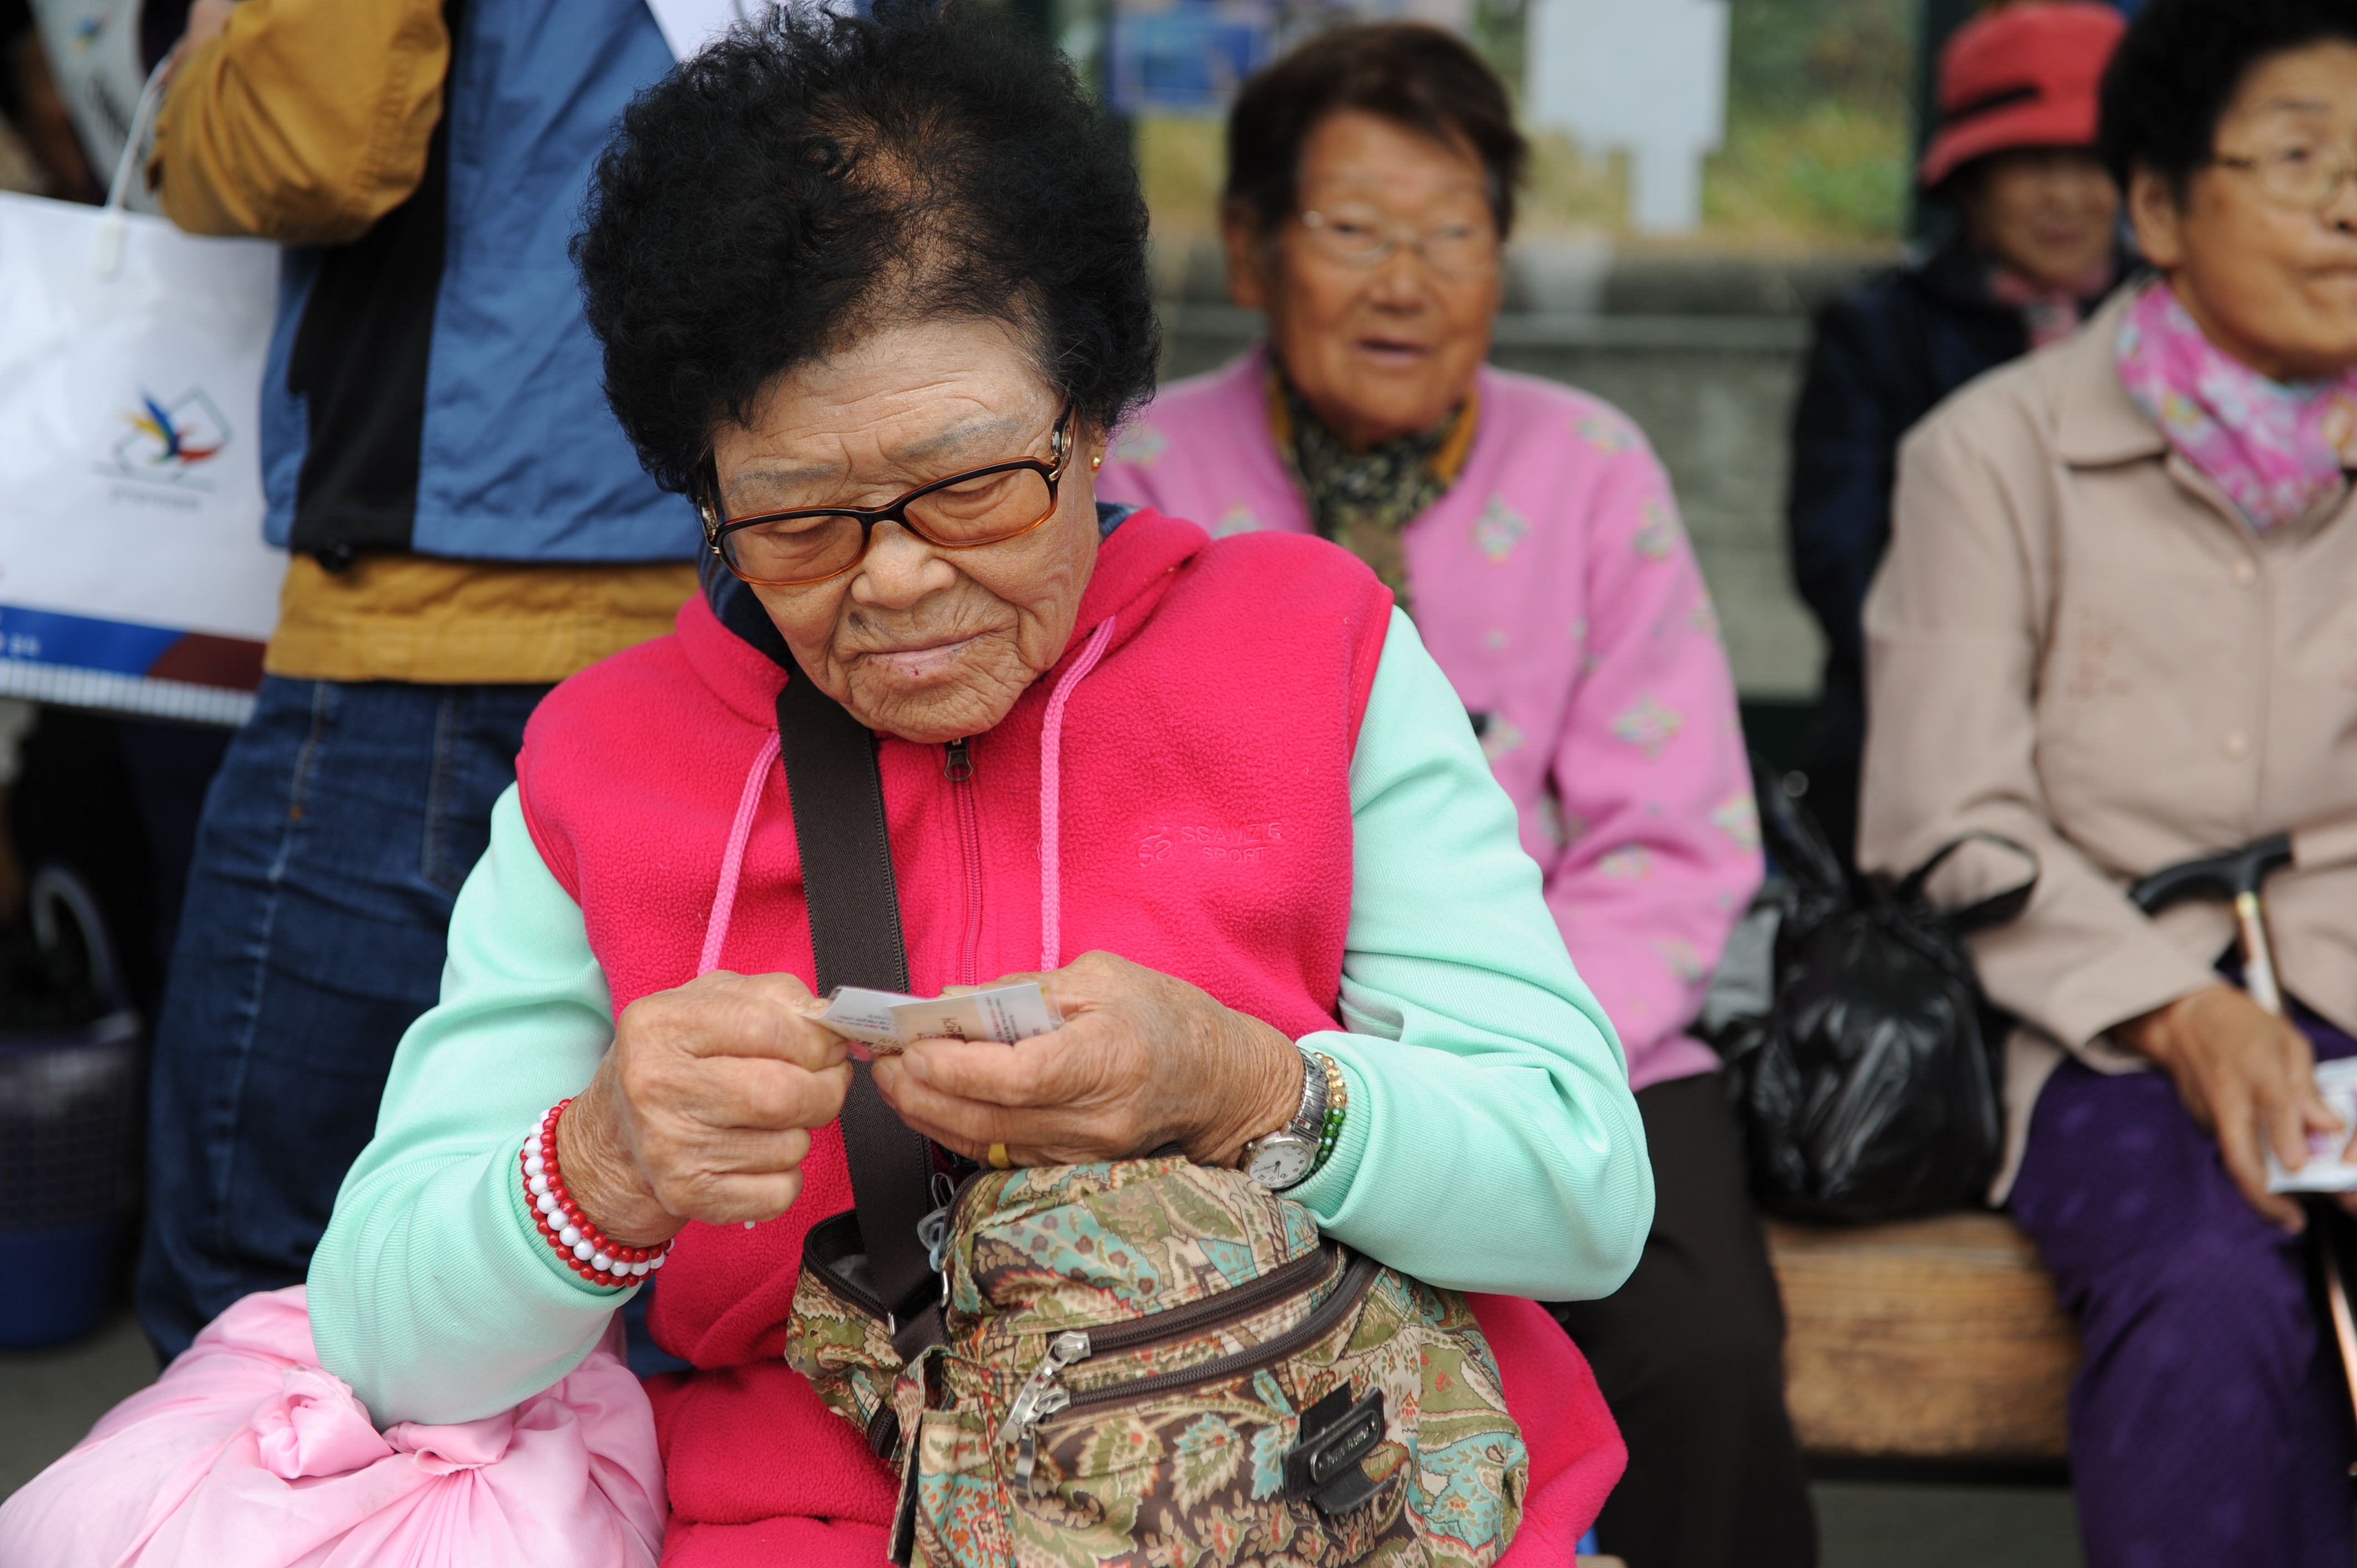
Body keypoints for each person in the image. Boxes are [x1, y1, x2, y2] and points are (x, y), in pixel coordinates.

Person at [2, 8, 1653, 1564]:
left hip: (1340, 1487)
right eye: (799, 521)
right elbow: (383, 1338)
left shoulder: (1313, 651)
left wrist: (1254, 1091)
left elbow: (1582, 1193)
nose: (900, 587)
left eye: (979, 489)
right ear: (701, 495)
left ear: (1097, 420)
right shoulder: (605, 768)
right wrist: (599, 1171)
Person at [1094, 25, 1802, 1568]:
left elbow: (1679, 843)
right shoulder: (1148, 473)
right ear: (1252, 245)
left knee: (1704, 1358)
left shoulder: (1592, 469)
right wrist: (1290, 1057)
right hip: (1242, 1046)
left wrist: (1513, 1060)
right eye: (1354, 230)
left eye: (1454, 231)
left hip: (1580, 1045)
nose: (1404, 280)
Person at [1860, 1, 2357, 1561]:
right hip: (2101, 1026)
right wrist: (2178, 1007)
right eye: (2300, 160)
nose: (2353, 203)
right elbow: (1946, 818)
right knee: (2207, 1287)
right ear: (2157, 206)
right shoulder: (1987, 453)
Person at [133, 0, 702, 1360]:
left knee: (261, 1289)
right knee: (696, 1300)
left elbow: (302, 145)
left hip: (434, 613)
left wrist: (201, 72)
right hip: (738, 599)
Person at [1788, 1, 2126, 868]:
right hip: (1914, 745)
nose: (2066, 195)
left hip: (2147, 754)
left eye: (2092, 161)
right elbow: (1840, 559)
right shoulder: (1878, 333)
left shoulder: (2177, 333)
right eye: (2029, 164)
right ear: (1966, 179)